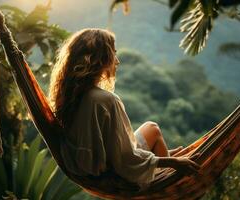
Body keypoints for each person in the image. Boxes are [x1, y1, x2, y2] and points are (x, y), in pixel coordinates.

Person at [46, 28, 201, 187]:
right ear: (102, 59)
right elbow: (125, 158)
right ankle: (167, 184)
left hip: (83, 166)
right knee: (153, 129)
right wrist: (172, 162)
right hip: (111, 171)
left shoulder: (70, 95)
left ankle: (163, 165)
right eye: (113, 54)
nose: (117, 61)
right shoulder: (106, 100)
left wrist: (161, 158)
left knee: (151, 128)